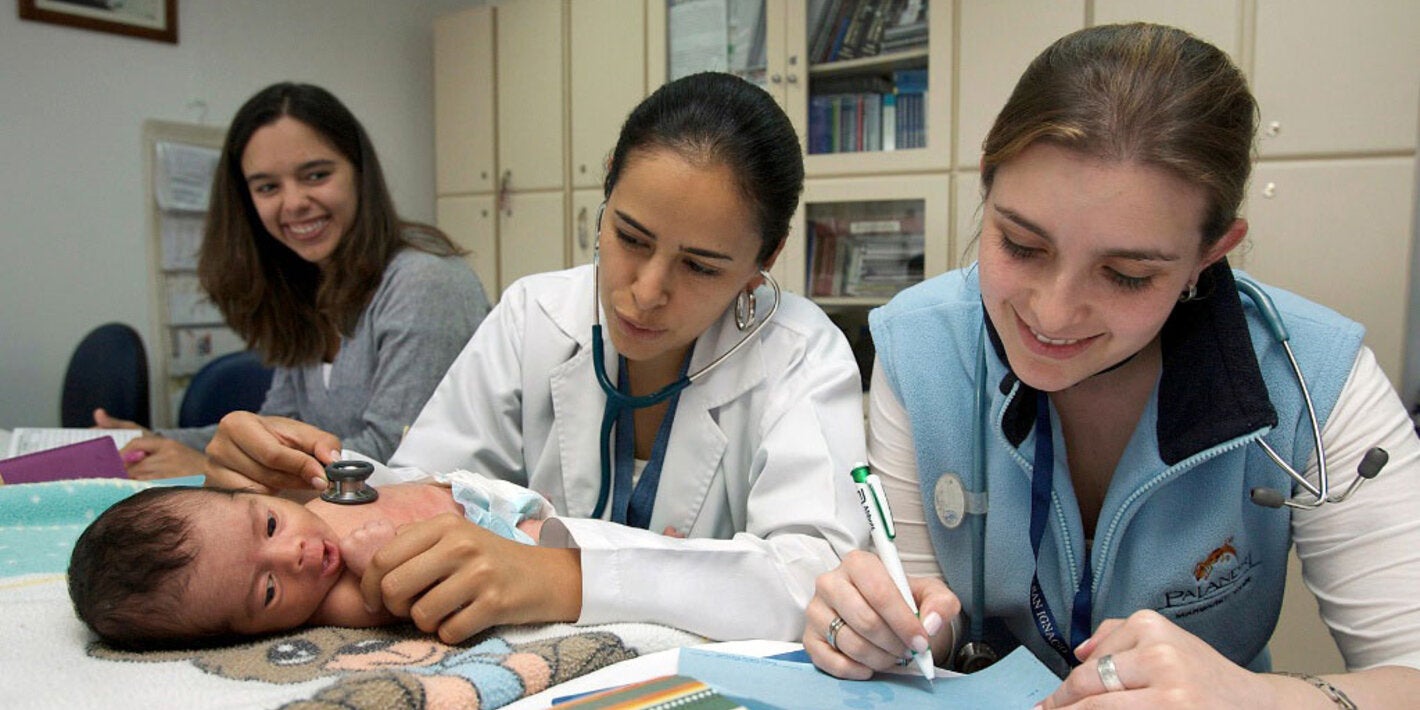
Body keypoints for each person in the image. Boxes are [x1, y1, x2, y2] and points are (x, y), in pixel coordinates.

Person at [803, 22, 1420, 708]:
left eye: (1126, 275)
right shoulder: (920, 349)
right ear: (987, 182)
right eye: (1020, 245)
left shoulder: (1317, 379)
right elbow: (928, 629)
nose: (1053, 313)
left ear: (1210, 254)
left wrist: (1259, 700)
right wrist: (880, 628)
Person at [201, 72, 870, 645]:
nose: (644, 292)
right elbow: (426, 488)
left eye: (700, 266)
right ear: (606, 187)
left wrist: (562, 577)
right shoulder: (533, 315)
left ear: (767, 258)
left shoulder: (802, 356)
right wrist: (307, 485)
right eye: (630, 236)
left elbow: (821, 581)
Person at [95, 82, 491, 480]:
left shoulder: (427, 282)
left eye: (316, 175)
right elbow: (276, 428)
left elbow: (396, 456)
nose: (294, 203)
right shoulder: (308, 281)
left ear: (360, 173)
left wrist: (212, 466)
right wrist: (158, 441)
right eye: (268, 187)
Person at [67, 473, 550, 649]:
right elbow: (404, 596)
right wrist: (380, 555)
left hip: (479, 490)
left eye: (271, 524)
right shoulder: (335, 599)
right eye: (268, 590)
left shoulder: (310, 510)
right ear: (251, 632)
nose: (292, 554)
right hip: (509, 544)